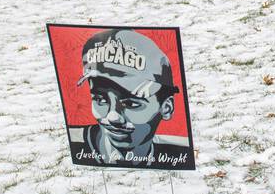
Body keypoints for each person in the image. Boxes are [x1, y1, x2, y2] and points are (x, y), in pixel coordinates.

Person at [68, 29, 190, 168]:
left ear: (167, 108)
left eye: (131, 103)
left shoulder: (179, 153)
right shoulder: (74, 143)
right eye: (100, 100)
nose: (113, 117)